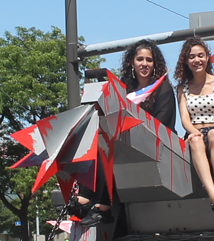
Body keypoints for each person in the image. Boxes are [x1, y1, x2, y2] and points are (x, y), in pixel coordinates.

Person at [72, 39, 176, 227]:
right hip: (125, 143)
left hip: (156, 145)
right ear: (131, 63)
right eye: (140, 59)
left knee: (112, 144)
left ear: (155, 64)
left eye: (149, 60)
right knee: (95, 137)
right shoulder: (123, 90)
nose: (144, 64)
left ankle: (103, 204)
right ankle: (84, 195)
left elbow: (163, 124)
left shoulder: (164, 88)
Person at [174, 37, 214, 214]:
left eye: (200, 56)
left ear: (207, 58)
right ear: (186, 62)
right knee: (195, 140)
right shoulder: (182, 88)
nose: (197, 60)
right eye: (192, 57)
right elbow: (185, 119)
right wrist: (195, 132)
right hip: (194, 130)